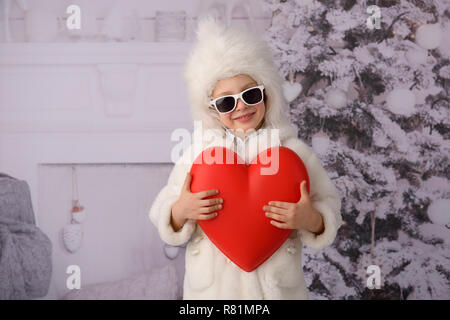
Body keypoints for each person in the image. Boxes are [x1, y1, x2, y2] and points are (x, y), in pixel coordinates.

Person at [149, 16, 342, 299]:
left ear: (267, 95)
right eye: (226, 101)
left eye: (250, 95)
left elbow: (330, 206)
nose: (241, 107)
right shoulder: (198, 155)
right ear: (211, 110)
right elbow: (163, 208)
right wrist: (181, 211)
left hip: (277, 292)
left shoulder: (293, 153)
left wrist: (312, 219)